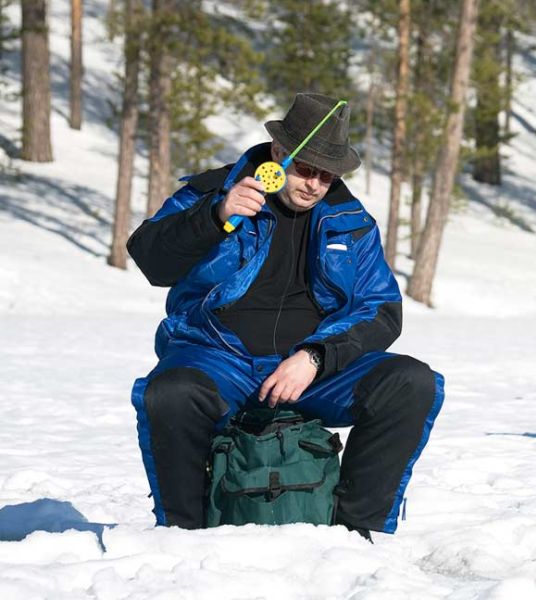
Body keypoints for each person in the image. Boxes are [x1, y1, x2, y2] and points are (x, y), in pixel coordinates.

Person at [127, 93, 444, 539]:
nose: (315, 184)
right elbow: (150, 260)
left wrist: (316, 356)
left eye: (327, 174)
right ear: (279, 153)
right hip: (219, 359)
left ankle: (356, 534)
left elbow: (381, 309)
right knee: (170, 393)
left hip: (311, 374)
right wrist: (214, 217)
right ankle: (183, 537)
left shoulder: (352, 222)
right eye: (306, 168)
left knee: (411, 382)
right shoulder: (210, 194)